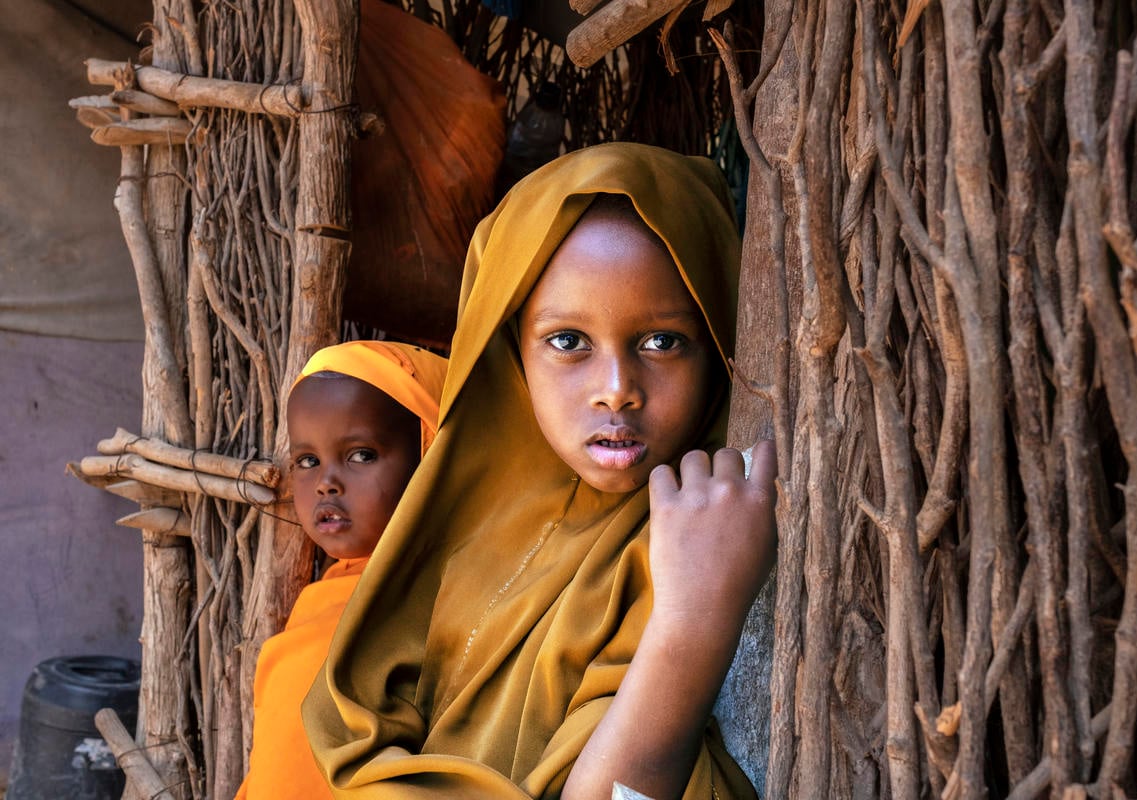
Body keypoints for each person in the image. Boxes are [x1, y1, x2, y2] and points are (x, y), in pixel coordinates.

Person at [302, 142, 778, 799]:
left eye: (662, 341)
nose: (616, 389)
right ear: (507, 350)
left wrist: (692, 625)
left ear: (720, 339)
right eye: (567, 342)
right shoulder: (449, 535)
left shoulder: (705, 539)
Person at [236, 340, 448, 800]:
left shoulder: (438, 606)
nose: (327, 483)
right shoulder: (330, 596)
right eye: (307, 461)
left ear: (434, 456)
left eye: (361, 455)